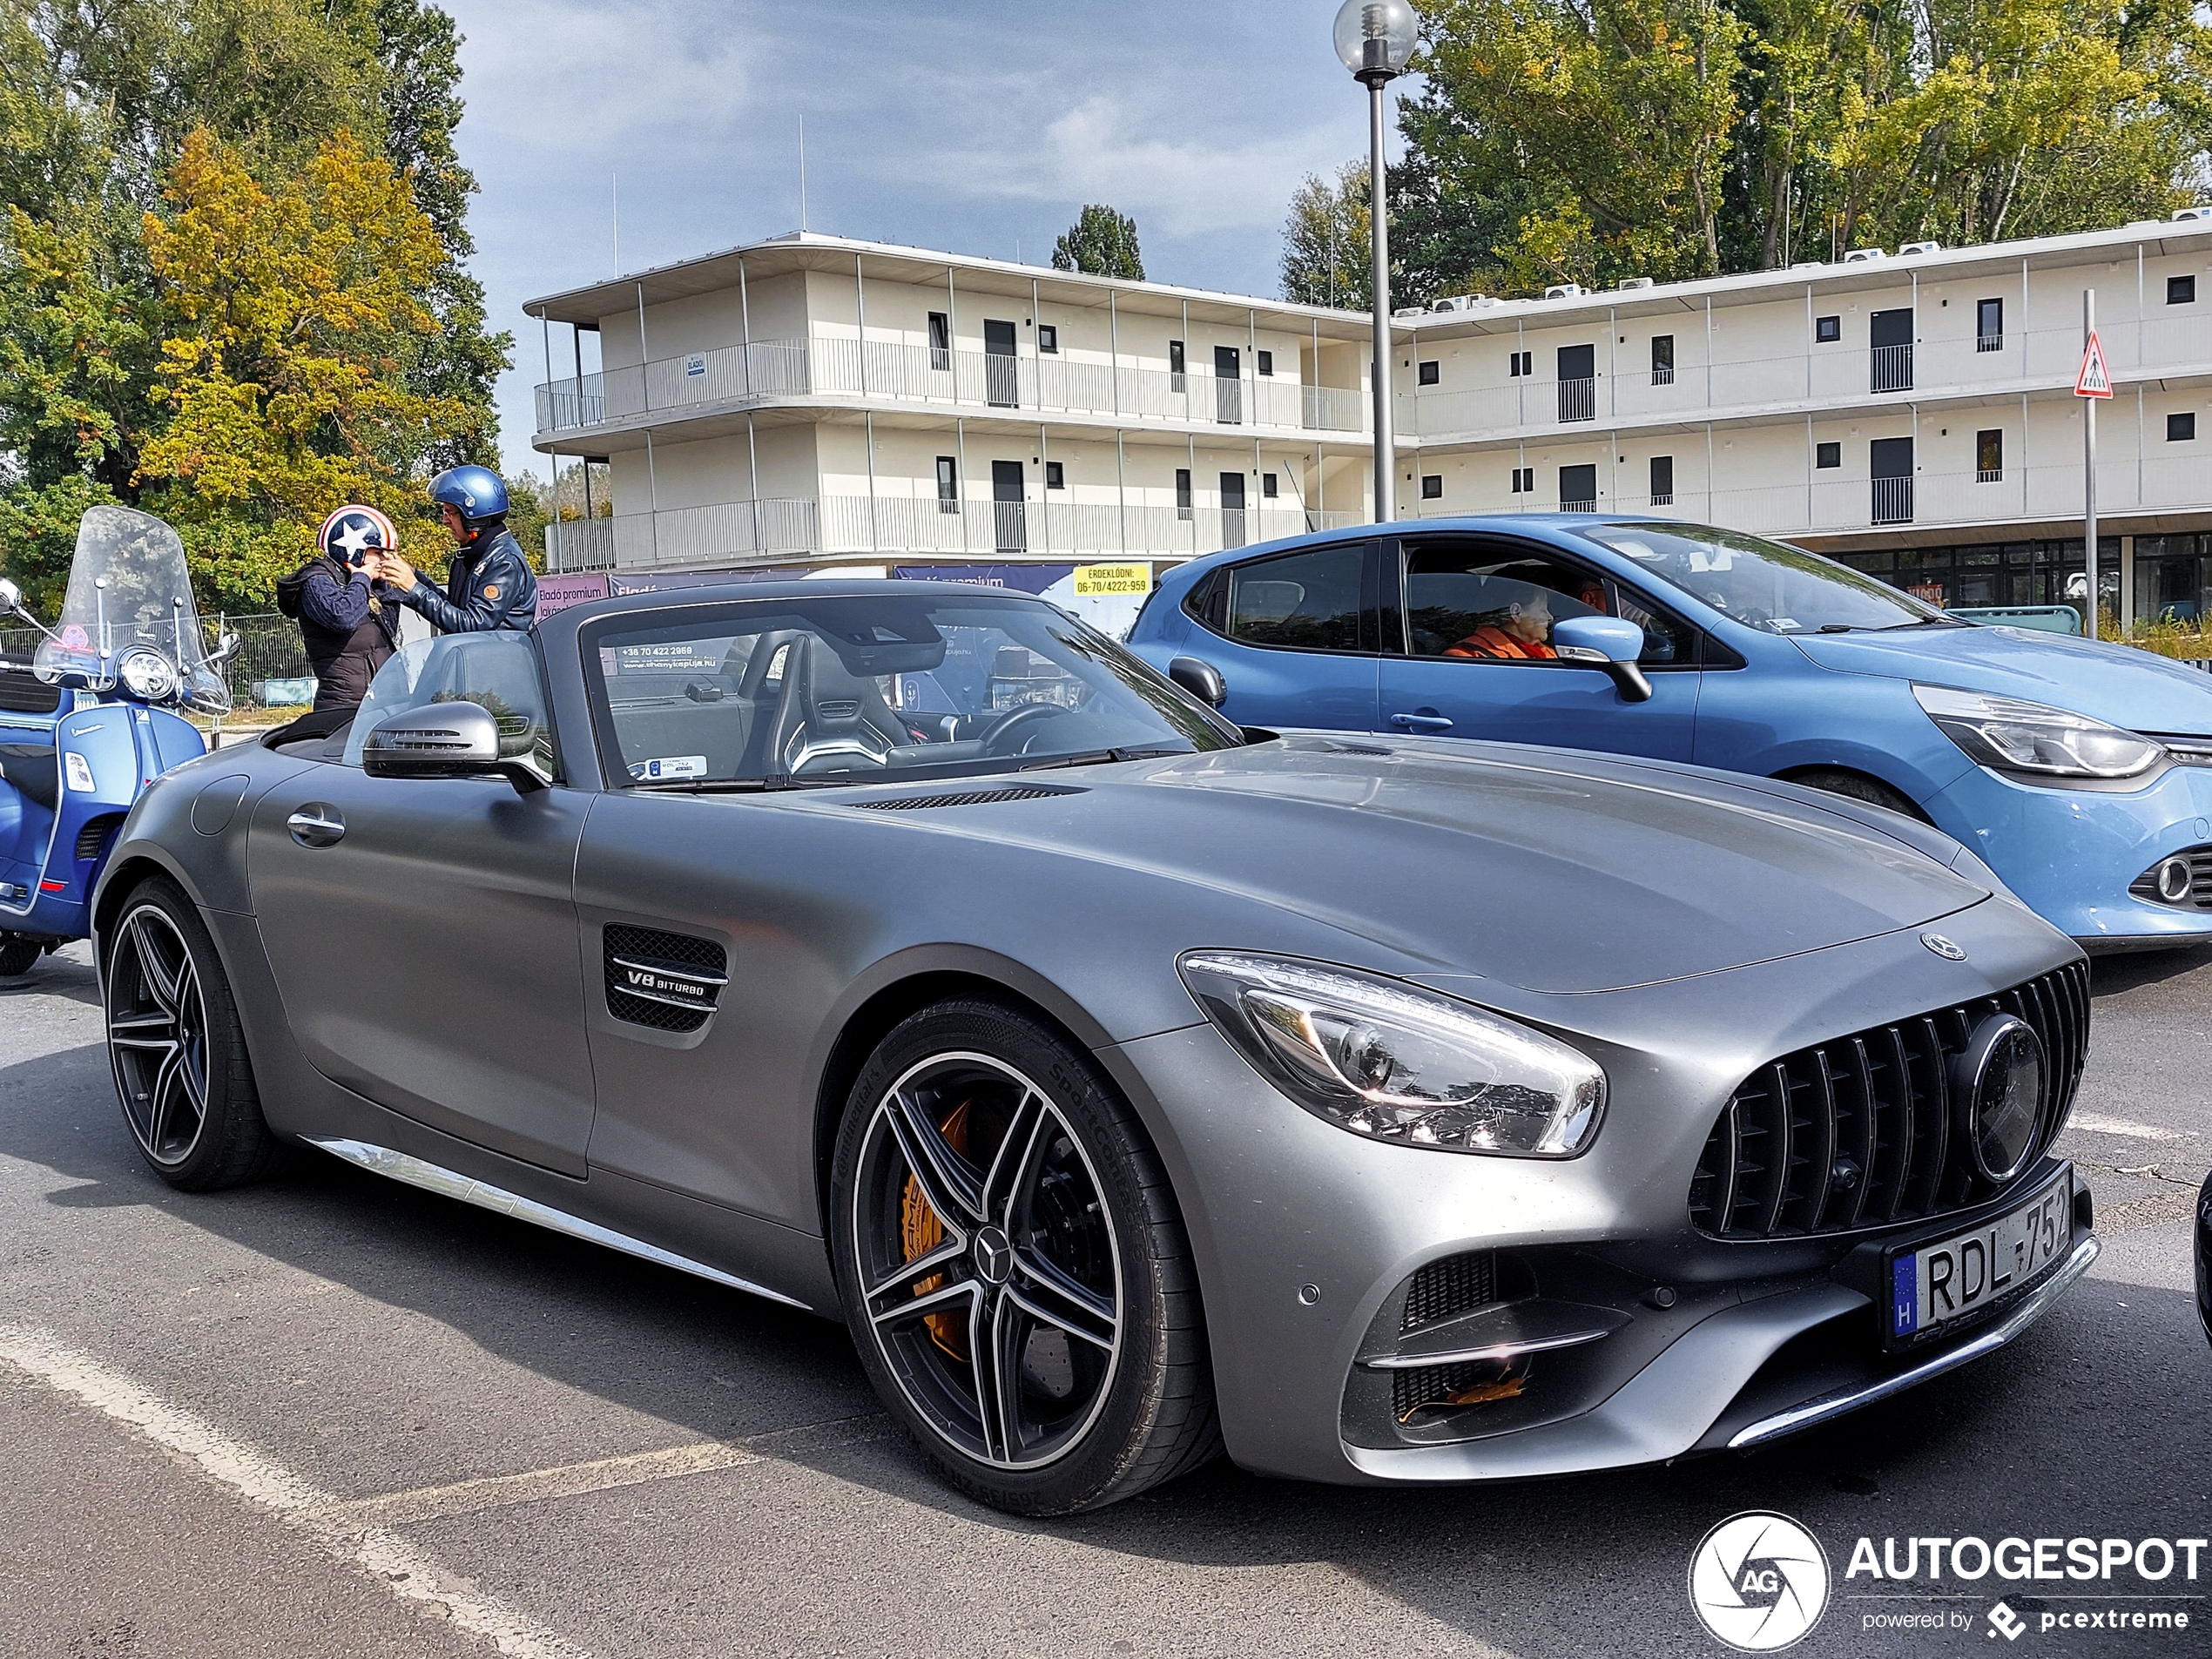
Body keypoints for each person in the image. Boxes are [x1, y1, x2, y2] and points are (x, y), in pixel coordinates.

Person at [371, 465, 537, 634]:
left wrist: (414, 589)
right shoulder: (476, 553)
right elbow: (454, 610)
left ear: (472, 515)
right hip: (478, 657)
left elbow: (473, 625)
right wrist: (414, 577)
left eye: (449, 512)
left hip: (498, 658)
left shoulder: (504, 562)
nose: (445, 521)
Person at [280, 505, 404, 711]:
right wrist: (362, 578)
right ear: (355, 550)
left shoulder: (366, 585)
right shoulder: (317, 581)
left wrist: (392, 583)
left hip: (380, 702)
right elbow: (343, 617)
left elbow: (389, 629)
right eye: (379, 552)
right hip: (344, 707)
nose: (385, 559)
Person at [1445, 586, 1559, 660]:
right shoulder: (1468, 657)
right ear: (1516, 613)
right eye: (1542, 609)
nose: (1550, 617)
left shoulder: (1549, 653)